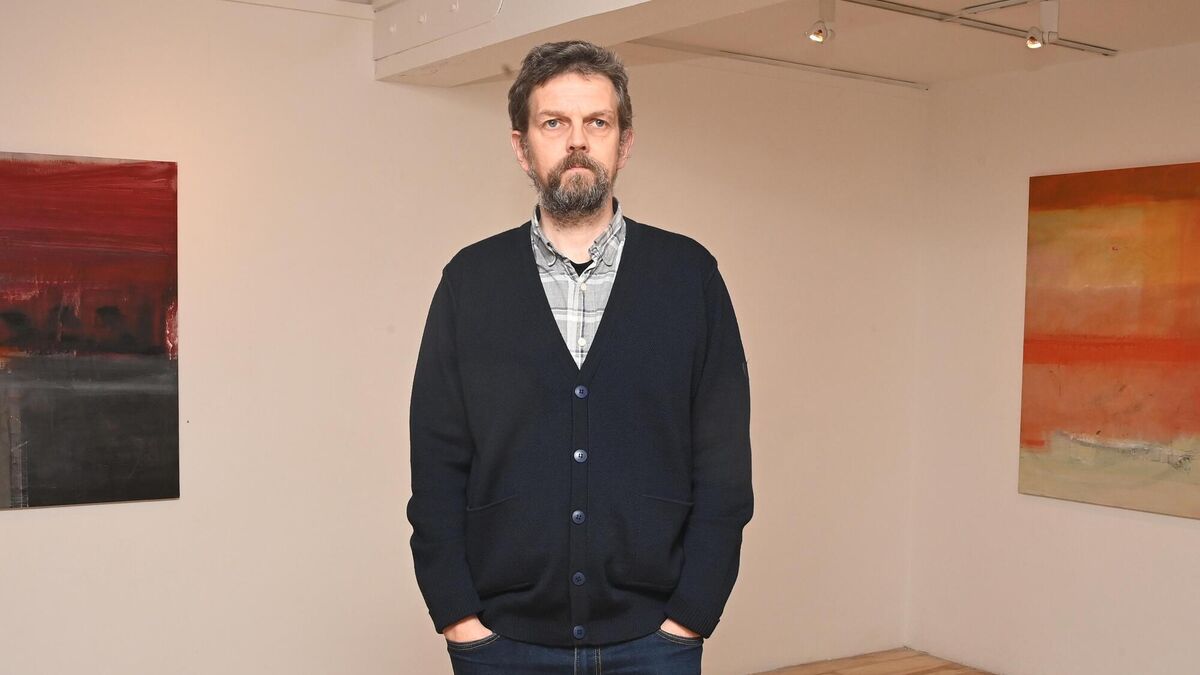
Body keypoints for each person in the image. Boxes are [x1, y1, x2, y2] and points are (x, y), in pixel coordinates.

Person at [407, 40, 753, 674]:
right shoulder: (470, 282)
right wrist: (457, 616)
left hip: (656, 642)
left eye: (597, 122)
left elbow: (723, 466)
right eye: (554, 123)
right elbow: (436, 464)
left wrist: (692, 614)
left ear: (624, 143)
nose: (577, 141)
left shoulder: (690, 277)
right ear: (522, 147)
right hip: (500, 645)